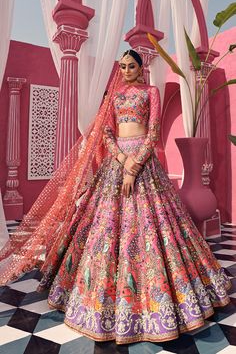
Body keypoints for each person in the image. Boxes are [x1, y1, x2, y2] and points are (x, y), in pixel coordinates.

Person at [0, 50, 231, 345]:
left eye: (131, 66)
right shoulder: (115, 94)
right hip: (118, 161)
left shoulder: (151, 92)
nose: (126, 71)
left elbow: (155, 130)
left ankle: (159, 302)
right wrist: (123, 159)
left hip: (144, 165)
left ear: (140, 66)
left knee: (152, 229)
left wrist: (136, 164)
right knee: (104, 229)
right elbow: (108, 132)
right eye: (122, 67)